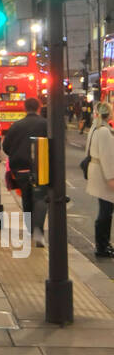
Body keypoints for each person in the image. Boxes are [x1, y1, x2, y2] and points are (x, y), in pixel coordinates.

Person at [1, 97, 48, 248]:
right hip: (40, 168)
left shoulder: (16, 125)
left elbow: (6, 146)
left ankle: (30, 231)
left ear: (24, 108)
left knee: (27, 199)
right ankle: (38, 231)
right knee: (40, 198)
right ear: (39, 107)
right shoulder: (45, 124)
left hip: (20, 168)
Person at [84, 101, 114, 259]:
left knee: (106, 210)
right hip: (103, 176)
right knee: (106, 211)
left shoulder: (95, 128)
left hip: (96, 173)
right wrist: (111, 178)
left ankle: (104, 244)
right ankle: (102, 246)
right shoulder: (104, 131)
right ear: (108, 114)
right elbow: (107, 157)